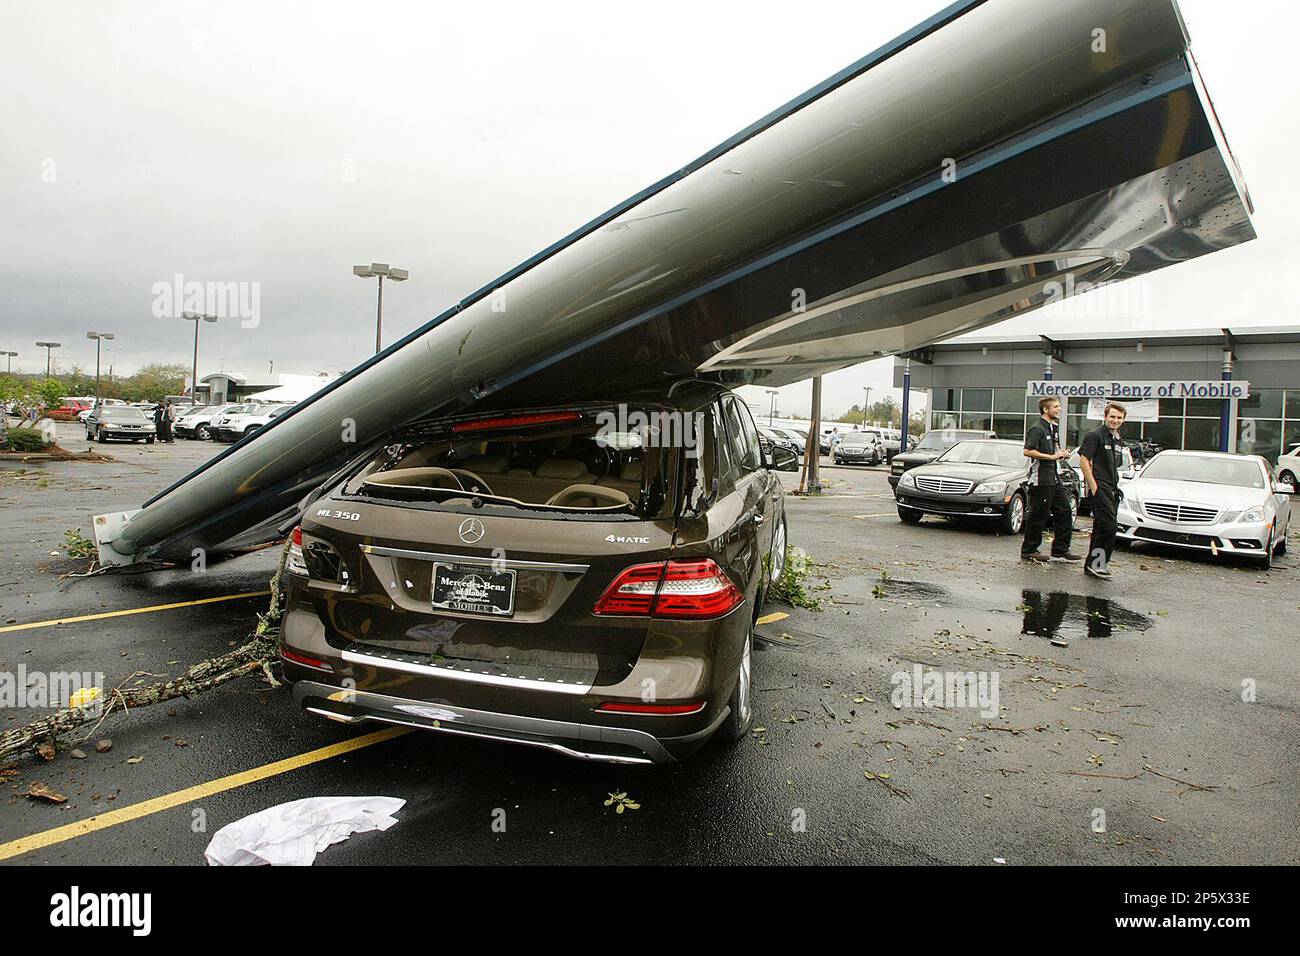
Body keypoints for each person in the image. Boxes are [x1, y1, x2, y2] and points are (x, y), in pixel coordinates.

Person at [1021, 397, 1079, 563]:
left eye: (1059, 406)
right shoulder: (1037, 428)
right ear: (1046, 410)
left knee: (1065, 512)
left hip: (1054, 479)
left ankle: (1060, 550)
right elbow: (1027, 451)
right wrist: (1052, 456)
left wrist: (1062, 453)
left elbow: (1053, 451)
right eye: (1055, 407)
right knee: (1038, 516)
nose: (1059, 409)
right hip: (1041, 480)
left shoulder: (1052, 428)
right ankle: (1029, 550)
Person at [1078, 402, 1127, 579]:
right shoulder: (1095, 435)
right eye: (1112, 416)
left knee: (1101, 527)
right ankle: (1097, 564)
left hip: (1112, 489)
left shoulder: (1117, 439)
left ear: (1123, 420)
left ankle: (1093, 565)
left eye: (1119, 418)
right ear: (1105, 416)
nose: (1115, 420)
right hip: (1100, 488)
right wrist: (1094, 486)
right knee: (1109, 526)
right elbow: (1084, 461)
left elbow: (1115, 465)